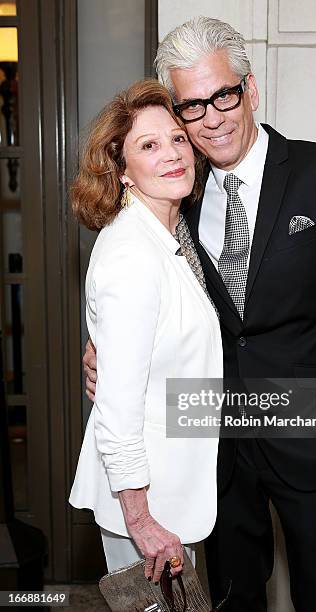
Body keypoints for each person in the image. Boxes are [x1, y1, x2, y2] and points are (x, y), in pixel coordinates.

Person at [83, 17, 316, 612]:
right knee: (229, 600)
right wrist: (104, 347)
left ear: (250, 90)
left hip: (315, 434)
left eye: (223, 94)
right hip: (213, 445)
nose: (211, 117)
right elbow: (147, 294)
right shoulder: (179, 189)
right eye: (192, 105)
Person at [69, 79, 223, 583]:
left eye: (178, 138)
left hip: (172, 491)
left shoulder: (167, 233)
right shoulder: (133, 255)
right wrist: (140, 519)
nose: (173, 155)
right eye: (148, 146)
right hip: (146, 508)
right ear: (122, 171)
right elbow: (117, 408)